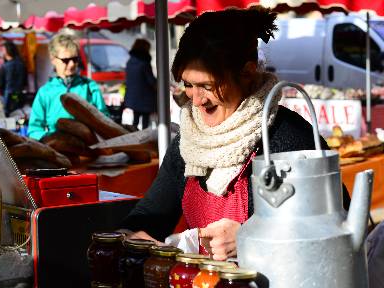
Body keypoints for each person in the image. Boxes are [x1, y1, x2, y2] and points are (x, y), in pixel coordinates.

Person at [119, 7, 350, 260]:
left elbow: (336, 226)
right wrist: (132, 232)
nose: (196, 101)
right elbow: (154, 211)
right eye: (188, 84)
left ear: (248, 73)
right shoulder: (189, 139)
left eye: (207, 86)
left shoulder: (289, 136)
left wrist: (250, 237)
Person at [27, 33, 109, 141]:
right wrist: (48, 139)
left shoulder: (89, 87)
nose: (71, 64)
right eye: (65, 60)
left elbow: (105, 121)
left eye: (75, 59)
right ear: (53, 59)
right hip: (57, 150)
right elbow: (34, 130)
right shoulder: (45, 92)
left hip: (88, 148)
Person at [124, 38, 157, 129]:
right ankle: (144, 141)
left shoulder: (130, 61)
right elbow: (150, 80)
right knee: (145, 123)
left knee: (135, 120)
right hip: (144, 97)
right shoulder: (144, 63)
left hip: (133, 97)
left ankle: (135, 137)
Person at [0, 41, 27, 117]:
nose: (2, 52)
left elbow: (1, 83)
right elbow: (25, 81)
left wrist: (0, 91)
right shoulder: (22, 63)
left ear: (7, 51)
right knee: (19, 115)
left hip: (8, 95)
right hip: (19, 93)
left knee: (9, 117)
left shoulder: (5, 66)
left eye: (3, 50)